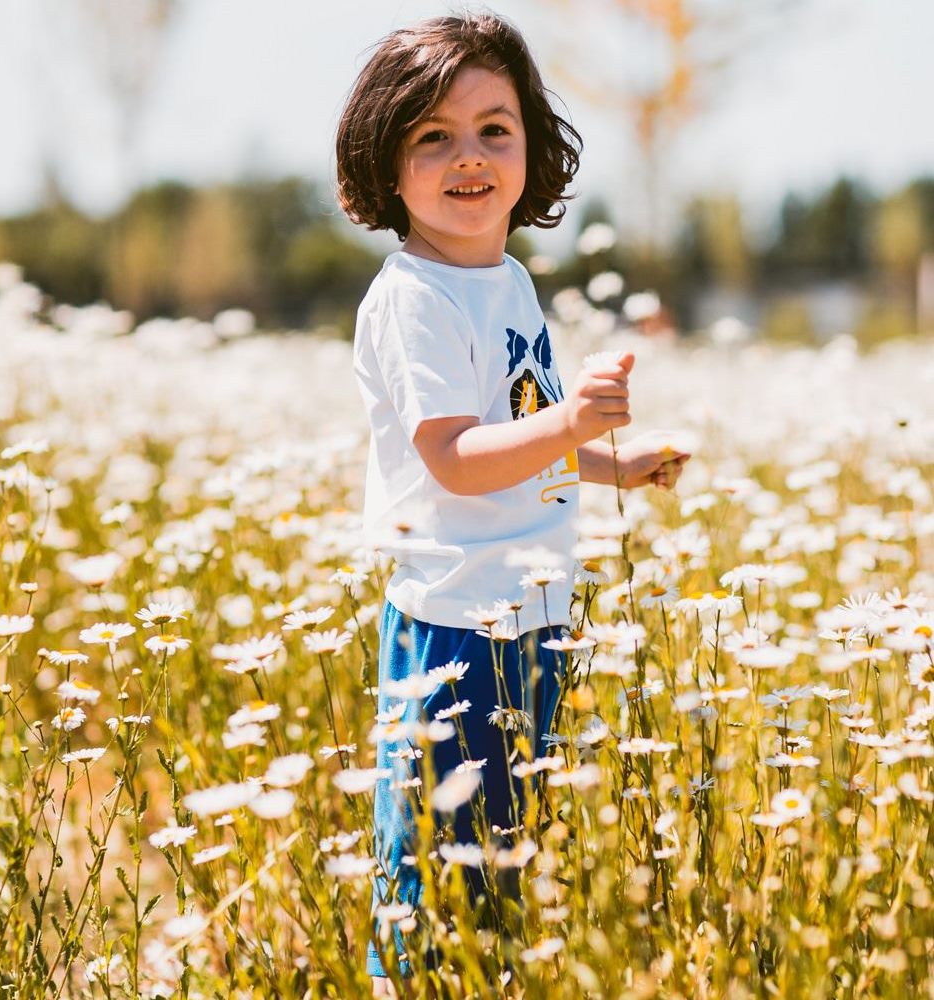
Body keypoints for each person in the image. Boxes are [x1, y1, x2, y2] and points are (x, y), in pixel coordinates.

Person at [334, 11, 689, 994]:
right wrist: (575, 422)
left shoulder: (509, 283)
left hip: (530, 613)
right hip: (454, 623)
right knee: (433, 868)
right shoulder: (415, 297)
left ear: (533, 147)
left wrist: (611, 465)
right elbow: (455, 458)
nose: (468, 157)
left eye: (495, 128)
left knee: (502, 854)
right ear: (383, 159)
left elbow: (520, 439)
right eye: (432, 136)